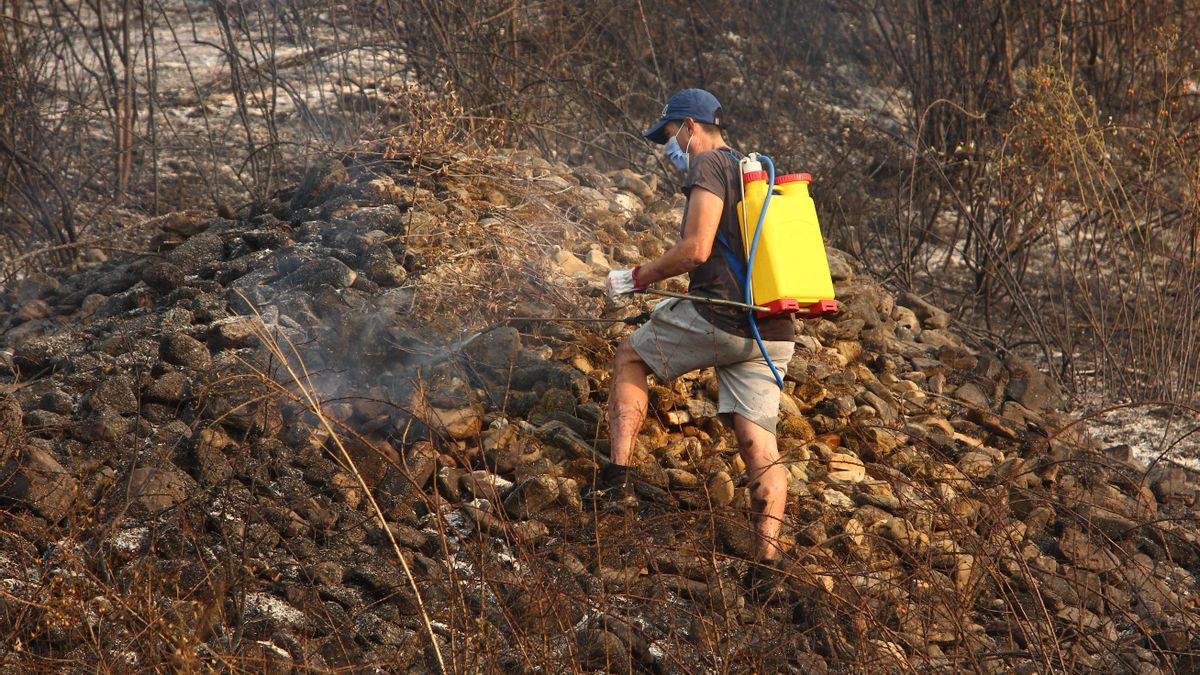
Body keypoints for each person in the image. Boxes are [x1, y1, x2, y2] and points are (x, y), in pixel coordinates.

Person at [596, 88, 796, 591]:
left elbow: (696, 250)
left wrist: (637, 277)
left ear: (689, 126)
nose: (671, 147)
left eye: (670, 135)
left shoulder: (708, 167)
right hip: (772, 329)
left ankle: (614, 484)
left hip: (723, 318)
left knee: (630, 354)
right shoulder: (755, 177)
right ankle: (766, 566)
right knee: (759, 443)